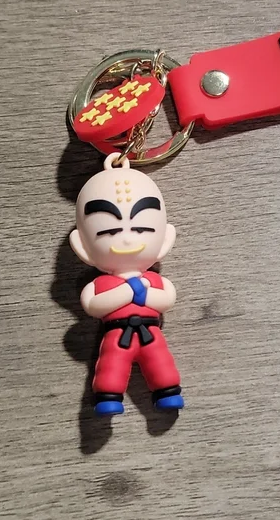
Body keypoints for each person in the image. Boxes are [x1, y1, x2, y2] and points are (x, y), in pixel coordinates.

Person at [69, 153, 183, 416]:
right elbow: (92, 304)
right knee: (111, 368)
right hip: (115, 335)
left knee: (161, 365)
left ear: (165, 240)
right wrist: (128, 291)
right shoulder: (103, 283)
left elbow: (167, 299)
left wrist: (143, 295)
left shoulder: (153, 280)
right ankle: (108, 397)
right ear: (82, 247)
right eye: (109, 232)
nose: (128, 240)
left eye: (142, 229)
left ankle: (168, 392)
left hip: (151, 333)